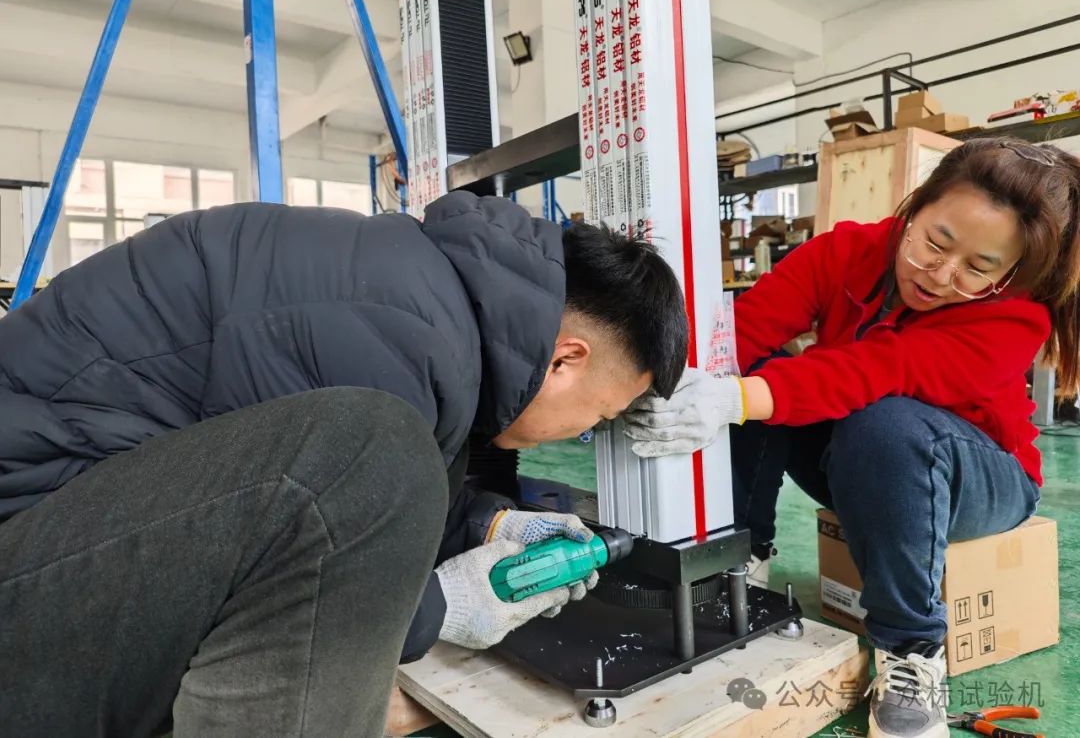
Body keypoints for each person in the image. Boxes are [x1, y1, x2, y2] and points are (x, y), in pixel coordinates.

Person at [0, 190, 689, 738]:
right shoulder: (398, 330)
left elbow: (355, 504)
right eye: (600, 416)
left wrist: (488, 527)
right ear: (566, 358)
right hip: (28, 581)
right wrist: (444, 606)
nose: (585, 431)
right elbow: (317, 538)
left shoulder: (425, 304)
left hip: (72, 528)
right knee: (374, 450)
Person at [625, 138, 1079, 738]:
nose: (941, 275)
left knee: (880, 420)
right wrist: (647, 381)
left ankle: (911, 652)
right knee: (751, 370)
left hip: (980, 476)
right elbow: (740, 334)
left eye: (978, 268)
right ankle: (740, 563)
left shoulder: (1015, 318)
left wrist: (734, 399)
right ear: (915, 208)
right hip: (868, 460)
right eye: (935, 242)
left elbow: (879, 370)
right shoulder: (844, 253)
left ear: (1010, 274)